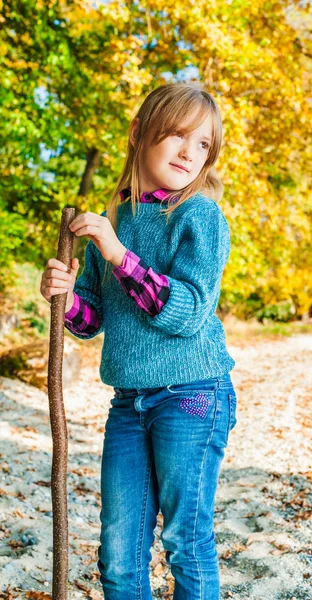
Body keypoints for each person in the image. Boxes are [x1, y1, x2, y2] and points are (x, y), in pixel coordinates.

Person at [40, 81, 237, 600]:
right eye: (178, 135)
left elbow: (188, 312)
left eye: (203, 146)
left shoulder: (200, 217)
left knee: (185, 540)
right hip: (128, 403)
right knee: (118, 553)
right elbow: (91, 320)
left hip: (193, 396)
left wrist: (118, 254)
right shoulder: (116, 219)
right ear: (139, 133)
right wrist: (62, 299)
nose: (188, 153)